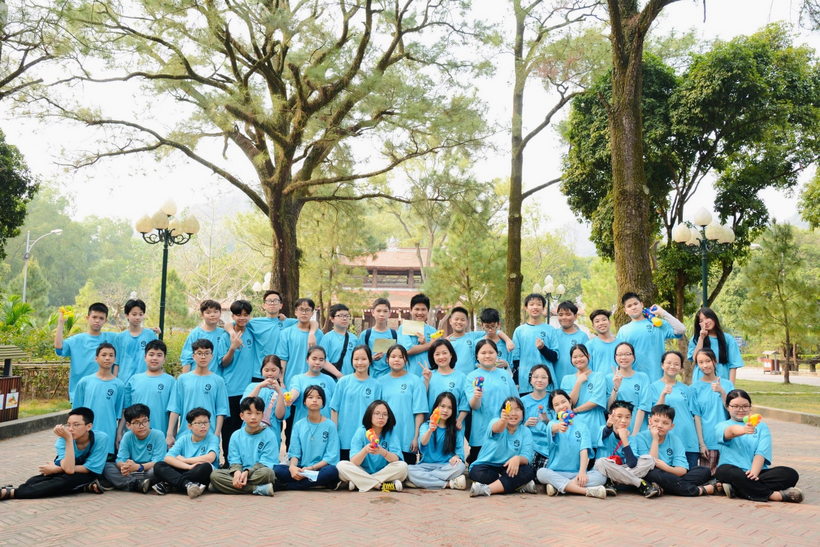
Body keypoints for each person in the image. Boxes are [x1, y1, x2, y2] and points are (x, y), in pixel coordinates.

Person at [714, 390, 803, 503]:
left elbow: (761, 452)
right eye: (735, 406)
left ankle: (736, 489)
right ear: (727, 407)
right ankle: (774, 495)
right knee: (724, 471)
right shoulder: (721, 426)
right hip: (733, 471)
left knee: (790, 474)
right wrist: (744, 430)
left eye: (745, 406)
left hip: (758, 473)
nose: (741, 410)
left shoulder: (761, 426)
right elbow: (731, 431)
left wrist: (754, 473)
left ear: (750, 407)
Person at [0, 408, 109, 500]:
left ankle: (13, 492)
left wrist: (58, 469)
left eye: (76, 425)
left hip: (87, 474)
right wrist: (68, 440)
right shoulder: (62, 440)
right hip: (67, 470)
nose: (70, 429)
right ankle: (83, 488)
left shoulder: (101, 438)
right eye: (68, 425)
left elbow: (80, 469)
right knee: (33, 481)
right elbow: (68, 468)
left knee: (65, 481)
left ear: (88, 426)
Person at [536, 389, 607, 499]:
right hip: (556, 472)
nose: (561, 406)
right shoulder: (552, 424)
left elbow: (584, 450)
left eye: (563, 401)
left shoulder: (582, 426)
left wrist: (582, 472)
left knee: (601, 477)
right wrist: (559, 427)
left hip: (576, 474)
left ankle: (559, 487)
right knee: (541, 473)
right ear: (553, 409)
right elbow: (553, 428)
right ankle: (586, 491)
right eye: (556, 405)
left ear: (570, 402)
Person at [633, 404, 715, 496]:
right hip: (651, 473)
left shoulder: (675, 439)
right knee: (653, 473)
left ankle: (664, 488)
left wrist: (667, 468)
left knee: (704, 471)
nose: (659, 425)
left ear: (671, 426)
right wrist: (655, 439)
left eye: (665, 423)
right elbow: (650, 465)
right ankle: (698, 490)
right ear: (650, 421)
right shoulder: (640, 437)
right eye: (656, 421)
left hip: (670, 472)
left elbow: (682, 470)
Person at [636, 351, 699, 469]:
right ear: (662, 365)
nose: (672, 366)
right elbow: (655, 413)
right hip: (666, 439)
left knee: (691, 473)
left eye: (676, 364)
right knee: (665, 473)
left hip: (688, 438)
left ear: (681, 367)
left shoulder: (686, 389)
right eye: (669, 363)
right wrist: (663, 395)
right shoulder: (653, 387)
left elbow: (695, 414)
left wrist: (701, 442)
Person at [277, 297, 325, 448]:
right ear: (295, 312)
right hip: (292, 385)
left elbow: (322, 358)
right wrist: (281, 380)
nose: (304, 313)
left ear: (312, 312)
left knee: (312, 424)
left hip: (313, 386)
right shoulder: (287, 333)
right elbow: (283, 358)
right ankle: (290, 454)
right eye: (301, 309)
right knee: (291, 424)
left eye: (307, 310)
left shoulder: (318, 334)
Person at [274, 386, 340, 490]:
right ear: (304, 402)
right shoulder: (298, 425)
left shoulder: (330, 425)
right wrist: (292, 467)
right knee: (277, 469)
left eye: (318, 397)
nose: (314, 400)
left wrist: (311, 468)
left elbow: (331, 456)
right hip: (301, 468)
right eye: (310, 397)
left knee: (332, 471)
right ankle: (316, 483)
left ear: (323, 402)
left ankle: (287, 486)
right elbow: (294, 452)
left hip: (319, 468)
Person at [166, 339, 230, 448]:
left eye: (206, 353)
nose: (203, 357)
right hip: (185, 434)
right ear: (193, 356)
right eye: (199, 353)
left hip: (209, 435)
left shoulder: (218, 381)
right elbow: (175, 408)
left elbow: (221, 411)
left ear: (212, 356)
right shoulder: (182, 379)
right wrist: (169, 434)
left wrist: (216, 435)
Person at [468, 397, 537, 497]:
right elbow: (498, 428)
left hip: (509, 468)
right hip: (488, 466)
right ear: (503, 412)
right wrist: (503, 421)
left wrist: (518, 458)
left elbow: (526, 457)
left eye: (517, 409)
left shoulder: (525, 431)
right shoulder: (495, 421)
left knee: (528, 471)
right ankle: (516, 485)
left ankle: (486, 489)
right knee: (476, 472)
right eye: (510, 409)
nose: (513, 413)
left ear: (522, 413)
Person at [208, 396, 277, 496]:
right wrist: (237, 472)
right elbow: (234, 459)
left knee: (268, 473)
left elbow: (266, 462)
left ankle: (223, 486)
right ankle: (256, 489)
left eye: (257, 413)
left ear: (262, 416)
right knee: (215, 475)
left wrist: (247, 472)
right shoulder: (236, 435)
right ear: (242, 416)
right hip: (240, 472)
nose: (253, 417)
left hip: (258, 472)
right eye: (249, 413)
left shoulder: (270, 435)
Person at [465, 339, 518, 464]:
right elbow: (474, 406)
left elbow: (515, 401)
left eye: (491, 352)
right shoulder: (472, 376)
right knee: (479, 466)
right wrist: (477, 396)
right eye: (483, 353)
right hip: (481, 433)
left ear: (497, 354)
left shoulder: (505, 375)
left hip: (505, 431)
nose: (487, 356)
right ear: (477, 356)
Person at [244, 290, 317, 382]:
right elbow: (233, 324)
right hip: (260, 373)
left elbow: (312, 322)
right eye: (269, 301)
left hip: (279, 374)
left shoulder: (288, 322)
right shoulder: (254, 322)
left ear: (281, 305)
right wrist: (231, 331)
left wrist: (312, 333)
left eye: (276, 301)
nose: (272, 303)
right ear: (264, 305)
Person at [336, 400, 408, 492]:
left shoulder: (391, 432)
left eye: (385, 414)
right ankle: (380, 486)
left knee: (403, 467)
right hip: (362, 470)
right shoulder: (361, 432)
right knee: (341, 466)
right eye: (377, 414)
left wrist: (382, 452)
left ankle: (359, 482)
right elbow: (354, 462)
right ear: (370, 415)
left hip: (383, 471)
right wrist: (365, 450)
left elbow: (395, 459)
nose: (381, 417)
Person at [593, 400, 660, 498]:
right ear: (610, 416)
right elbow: (606, 432)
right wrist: (609, 425)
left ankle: (614, 481)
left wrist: (624, 439)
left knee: (649, 460)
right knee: (601, 462)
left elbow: (632, 464)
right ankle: (640, 483)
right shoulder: (603, 429)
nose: (624, 420)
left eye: (627, 417)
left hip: (621, 469)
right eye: (619, 416)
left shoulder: (630, 438)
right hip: (605, 468)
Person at [218, 300, 259, 459]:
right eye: (238, 315)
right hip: (230, 389)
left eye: (246, 314)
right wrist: (232, 347)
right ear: (232, 316)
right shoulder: (225, 337)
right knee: (229, 427)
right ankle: (229, 460)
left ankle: (244, 460)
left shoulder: (252, 332)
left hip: (248, 390)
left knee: (246, 426)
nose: (242, 318)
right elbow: (223, 362)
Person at [55, 302, 116, 403]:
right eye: (94, 317)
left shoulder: (113, 338)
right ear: (87, 318)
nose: (97, 320)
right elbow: (59, 348)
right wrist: (61, 322)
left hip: (104, 393)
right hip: (80, 394)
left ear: (105, 321)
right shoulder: (76, 340)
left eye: (101, 318)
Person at [615, 292, 684, 382]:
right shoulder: (623, 330)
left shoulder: (657, 324)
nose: (633, 307)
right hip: (634, 379)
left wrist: (662, 312)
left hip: (658, 378)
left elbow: (681, 329)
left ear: (642, 304)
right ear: (625, 311)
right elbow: (619, 356)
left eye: (636, 304)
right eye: (629, 306)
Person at [153, 407, 219, 498]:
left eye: (206, 422)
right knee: (159, 465)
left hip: (200, 471)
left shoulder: (212, 438)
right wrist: (188, 466)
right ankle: (188, 484)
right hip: (185, 468)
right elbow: (168, 458)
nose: (203, 426)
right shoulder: (183, 439)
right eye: (199, 423)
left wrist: (185, 460)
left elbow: (211, 457)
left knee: (205, 467)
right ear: (189, 426)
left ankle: (170, 484)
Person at [330, 345, 382, 461]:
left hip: (366, 438)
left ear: (370, 360)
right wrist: (334, 434)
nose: (360, 363)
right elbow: (334, 409)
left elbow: (377, 413)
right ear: (352, 361)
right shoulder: (343, 381)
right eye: (356, 359)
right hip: (344, 437)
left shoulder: (376, 385)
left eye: (364, 359)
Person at [406, 392, 467, 490]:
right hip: (426, 466)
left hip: (446, 466)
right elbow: (423, 443)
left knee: (460, 467)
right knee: (407, 470)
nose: (445, 410)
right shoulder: (426, 425)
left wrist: (456, 457)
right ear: (436, 407)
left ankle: (424, 481)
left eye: (450, 408)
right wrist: (430, 430)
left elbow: (459, 452)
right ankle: (450, 483)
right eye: (442, 406)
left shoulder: (455, 429)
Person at [72, 342, 124, 457]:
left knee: (105, 465)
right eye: (104, 355)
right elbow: (76, 412)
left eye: (111, 355)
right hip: (85, 434)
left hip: (108, 434)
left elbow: (120, 413)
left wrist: (119, 433)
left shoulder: (119, 385)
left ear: (115, 359)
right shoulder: (85, 382)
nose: (107, 358)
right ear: (96, 358)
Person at [378, 344, 427, 463]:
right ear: (387, 359)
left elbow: (419, 411)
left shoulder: (415, 381)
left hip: (407, 439)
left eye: (401, 357)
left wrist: (416, 437)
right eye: (393, 356)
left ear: (406, 359)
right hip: (385, 439)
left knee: (406, 470)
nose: (397, 360)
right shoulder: (380, 382)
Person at [103, 404, 167, 493]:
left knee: (158, 469)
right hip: (131, 471)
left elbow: (157, 461)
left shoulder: (158, 435)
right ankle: (137, 484)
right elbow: (120, 459)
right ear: (128, 425)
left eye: (145, 421)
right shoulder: (127, 436)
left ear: (149, 421)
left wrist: (138, 467)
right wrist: (124, 467)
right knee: (106, 466)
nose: (142, 426)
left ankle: (127, 483)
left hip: (148, 470)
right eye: (137, 423)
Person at [690, 348, 734, 475]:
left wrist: (722, 392)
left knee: (727, 476)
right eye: (701, 362)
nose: (705, 365)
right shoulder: (694, 388)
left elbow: (732, 410)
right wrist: (701, 443)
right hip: (708, 441)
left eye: (708, 361)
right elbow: (696, 417)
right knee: (707, 477)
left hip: (726, 439)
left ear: (714, 361)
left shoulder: (727, 385)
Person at [122, 339, 176, 437]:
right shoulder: (134, 380)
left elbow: (174, 411)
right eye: (151, 354)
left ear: (164, 359)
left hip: (160, 435)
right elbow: (125, 410)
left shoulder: (171, 381)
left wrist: (171, 435)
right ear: (145, 357)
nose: (155, 358)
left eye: (159, 355)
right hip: (135, 436)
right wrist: (120, 432)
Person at [285, 346, 336, 441]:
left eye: (321, 359)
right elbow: (295, 390)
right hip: (303, 429)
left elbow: (335, 405)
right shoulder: (298, 379)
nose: (317, 362)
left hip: (324, 429)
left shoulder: (329, 380)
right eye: (314, 359)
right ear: (307, 359)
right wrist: (291, 398)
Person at [511, 294, 558, 395]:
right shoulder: (519, 331)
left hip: (546, 382)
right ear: (526, 308)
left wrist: (543, 348)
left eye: (539, 304)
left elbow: (555, 356)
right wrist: (516, 381)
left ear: (543, 308)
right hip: (525, 383)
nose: (535, 307)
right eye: (531, 304)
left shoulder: (551, 330)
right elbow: (515, 358)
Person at [243, 355, 288, 450]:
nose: (270, 373)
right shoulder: (252, 386)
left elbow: (280, 416)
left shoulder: (284, 392)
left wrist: (279, 392)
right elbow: (244, 405)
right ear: (261, 371)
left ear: (280, 371)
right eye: (266, 370)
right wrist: (259, 387)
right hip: (249, 432)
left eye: (273, 370)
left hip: (272, 435)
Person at [688, 308, 744, 383]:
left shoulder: (728, 339)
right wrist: (701, 338)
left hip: (722, 381)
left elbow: (733, 366)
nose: (705, 322)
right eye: (701, 321)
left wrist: (731, 387)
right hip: (700, 382)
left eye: (707, 318)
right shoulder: (696, 339)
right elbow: (695, 359)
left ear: (713, 317)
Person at [560, 344, 606, 435]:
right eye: (575, 357)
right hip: (575, 424)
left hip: (595, 423)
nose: (578, 359)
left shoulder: (598, 376)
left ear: (588, 356)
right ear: (571, 359)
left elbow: (595, 401)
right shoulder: (566, 379)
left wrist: (574, 410)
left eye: (581, 356)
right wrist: (578, 382)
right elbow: (570, 403)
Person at [179, 300, 236, 373]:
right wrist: (185, 377)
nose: (212, 315)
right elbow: (186, 358)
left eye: (215, 312)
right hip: (197, 376)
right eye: (208, 312)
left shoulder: (223, 333)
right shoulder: (195, 333)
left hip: (216, 376)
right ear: (202, 315)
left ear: (220, 313)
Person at [605, 342, 650, 433]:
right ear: (615, 357)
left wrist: (635, 434)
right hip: (617, 432)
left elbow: (643, 407)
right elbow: (609, 408)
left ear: (633, 357)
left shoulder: (643, 377)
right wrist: (616, 388)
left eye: (627, 354)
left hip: (639, 430)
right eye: (620, 354)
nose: (623, 357)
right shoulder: (609, 378)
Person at [424, 339, 469, 429]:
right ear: (432, 357)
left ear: (451, 354)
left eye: (444, 353)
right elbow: (421, 400)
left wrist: (459, 420)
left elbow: (465, 403)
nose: (441, 357)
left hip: (453, 426)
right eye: (437, 354)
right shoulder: (427, 376)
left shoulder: (462, 377)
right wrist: (426, 381)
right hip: (432, 426)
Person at [113, 298, 159, 384]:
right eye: (134, 314)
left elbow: (157, 359)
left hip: (144, 382)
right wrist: (115, 383)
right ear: (127, 315)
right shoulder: (119, 338)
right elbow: (116, 362)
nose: (138, 317)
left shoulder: (151, 335)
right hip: (123, 382)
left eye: (141, 314)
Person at [397, 293, 438, 378]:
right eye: (417, 309)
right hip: (408, 375)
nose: (420, 313)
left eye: (423, 309)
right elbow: (407, 350)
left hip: (430, 375)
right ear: (411, 310)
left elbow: (437, 352)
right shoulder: (403, 328)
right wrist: (430, 344)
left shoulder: (433, 331)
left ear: (428, 311)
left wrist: (425, 343)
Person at [521, 364, 553, 471]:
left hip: (550, 447)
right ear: (530, 380)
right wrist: (526, 424)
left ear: (549, 381)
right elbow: (515, 428)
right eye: (535, 377)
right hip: (530, 446)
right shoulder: (522, 401)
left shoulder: (554, 399)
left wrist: (547, 421)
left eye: (543, 377)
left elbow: (560, 425)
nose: (539, 380)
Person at [553, 301, 591, 386]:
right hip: (556, 381)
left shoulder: (582, 336)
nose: (564, 317)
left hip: (577, 381)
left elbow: (588, 360)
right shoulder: (553, 334)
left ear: (575, 316)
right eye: (561, 314)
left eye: (568, 314)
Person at [360, 298, 397, 379]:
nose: (382, 314)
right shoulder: (366, 334)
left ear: (389, 313)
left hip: (390, 377)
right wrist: (371, 358)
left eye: (385, 311)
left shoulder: (395, 334)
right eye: (378, 311)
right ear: (373, 312)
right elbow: (359, 358)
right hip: (370, 377)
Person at [320, 303, 359, 379]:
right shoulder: (327, 338)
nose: (344, 318)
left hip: (351, 379)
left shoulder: (353, 338)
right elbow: (323, 359)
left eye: (347, 316)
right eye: (340, 316)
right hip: (332, 380)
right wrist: (338, 374)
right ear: (332, 319)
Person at [587, 309, 618, 374]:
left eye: (604, 320)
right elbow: (587, 367)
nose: (601, 323)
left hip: (619, 379)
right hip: (599, 380)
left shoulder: (621, 343)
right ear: (593, 326)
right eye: (597, 321)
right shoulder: (589, 345)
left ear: (610, 322)